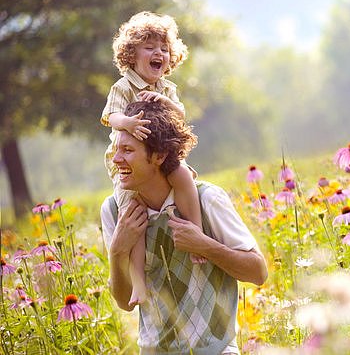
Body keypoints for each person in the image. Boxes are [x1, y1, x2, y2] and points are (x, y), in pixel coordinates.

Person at [100, 101, 268, 355]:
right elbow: (125, 302)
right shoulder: (114, 211)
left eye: (127, 150)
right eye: (116, 149)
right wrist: (117, 252)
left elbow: (258, 272)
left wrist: (203, 245)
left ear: (158, 156)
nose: (116, 159)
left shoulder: (207, 199)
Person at [100, 11, 204, 307]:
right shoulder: (123, 87)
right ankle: (139, 283)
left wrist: (169, 104)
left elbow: (181, 115)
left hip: (163, 156)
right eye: (149, 48)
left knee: (184, 176)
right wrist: (128, 124)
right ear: (131, 55)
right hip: (127, 164)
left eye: (164, 49)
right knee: (133, 216)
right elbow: (111, 115)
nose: (158, 53)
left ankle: (196, 233)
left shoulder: (167, 89)